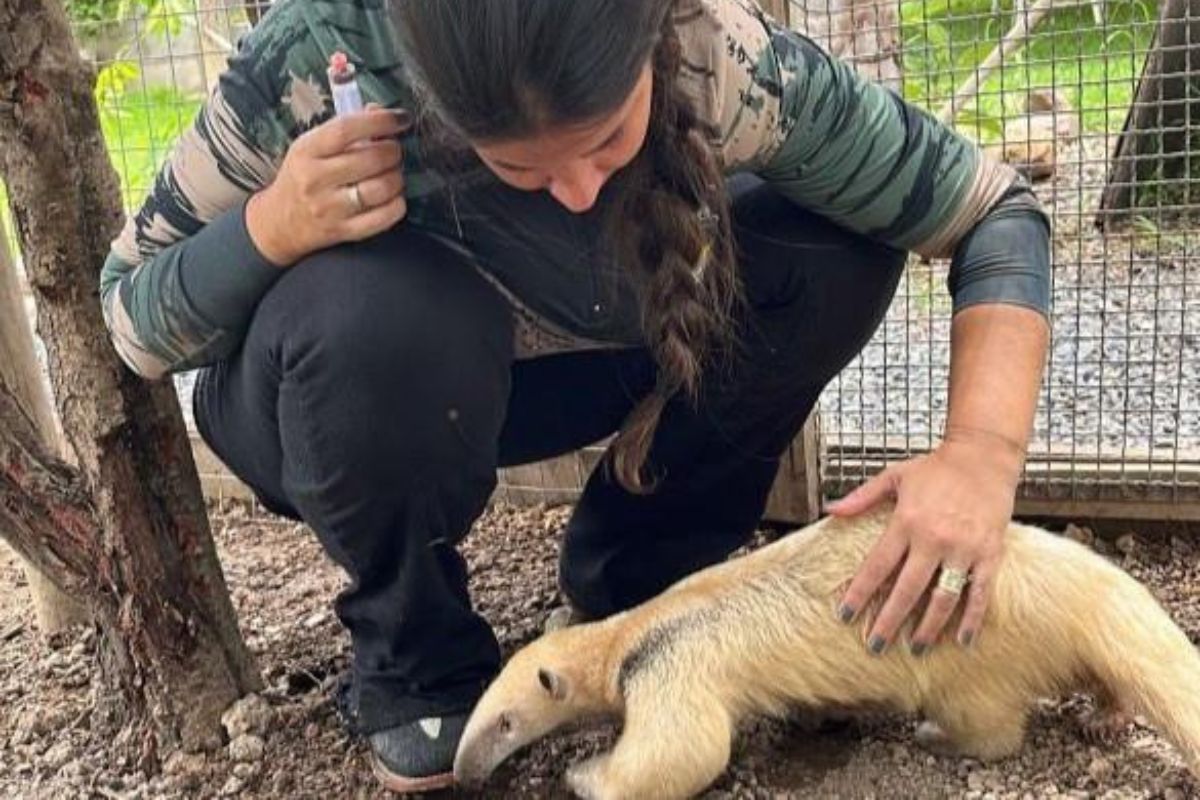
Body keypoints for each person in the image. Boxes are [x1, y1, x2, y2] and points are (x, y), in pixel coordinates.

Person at [99, 0, 1051, 791]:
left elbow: (990, 210)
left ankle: (643, 581)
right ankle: (416, 649)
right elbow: (131, 323)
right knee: (369, 313)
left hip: (601, 356)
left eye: (606, 141)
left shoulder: (725, 57)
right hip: (353, 393)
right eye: (517, 166)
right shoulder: (310, 60)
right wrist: (271, 226)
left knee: (836, 250)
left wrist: (980, 456)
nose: (580, 191)